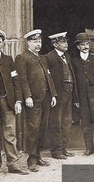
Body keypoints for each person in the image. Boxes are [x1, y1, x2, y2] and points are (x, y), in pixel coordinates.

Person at [15, 29, 57, 172]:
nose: (38, 44)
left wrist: (53, 95)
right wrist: (27, 96)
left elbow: (48, 77)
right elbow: (23, 79)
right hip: (33, 100)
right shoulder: (22, 58)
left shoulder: (43, 58)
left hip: (45, 98)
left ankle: (38, 156)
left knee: (42, 128)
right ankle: (31, 159)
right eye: (35, 42)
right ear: (28, 43)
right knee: (33, 129)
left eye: (39, 41)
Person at [46, 32, 78, 160]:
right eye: (63, 42)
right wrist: (53, 94)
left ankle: (64, 148)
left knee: (66, 122)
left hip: (68, 93)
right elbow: (48, 78)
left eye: (66, 41)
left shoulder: (67, 56)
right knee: (56, 123)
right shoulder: (49, 57)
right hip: (58, 95)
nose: (66, 44)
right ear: (55, 44)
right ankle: (56, 150)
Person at [0, 30, 28, 175]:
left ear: (3, 43)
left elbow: (16, 81)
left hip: (7, 101)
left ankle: (13, 164)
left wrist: (18, 100)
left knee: (10, 133)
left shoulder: (8, 60)